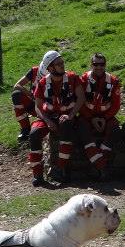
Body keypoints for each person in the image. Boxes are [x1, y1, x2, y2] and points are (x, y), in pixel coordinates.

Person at [28, 53, 83, 186]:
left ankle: (62, 169)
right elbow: (38, 107)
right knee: (34, 134)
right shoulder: (42, 83)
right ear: (50, 68)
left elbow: (81, 98)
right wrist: (47, 121)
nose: (62, 65)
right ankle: (38, 174)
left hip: (67, 116)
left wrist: (70, 115)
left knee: (66, 125)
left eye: (62, 62)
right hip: (48, 117)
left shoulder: (73, 78)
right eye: (59, 64)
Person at [77, 53, 121, 180]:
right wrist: (91, 118)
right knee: (82, 129)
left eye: (101, 64)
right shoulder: (83, 80)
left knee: (115, 129)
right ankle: (101, 166)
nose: (99, 67)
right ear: (91, 65)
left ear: (105, 65)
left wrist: (105, 118)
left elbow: (116, 105)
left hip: (106, 117)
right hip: (87, 116)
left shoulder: (113, 81)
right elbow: (79, 102)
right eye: (96, 64)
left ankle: (98, 164)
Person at [12, 50, 60, 142]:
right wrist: (29, 93)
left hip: (45, 107)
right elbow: (17, 85)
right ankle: (25, 129)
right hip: (33, 103)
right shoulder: (34, 71)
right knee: (16, 95)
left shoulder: (57, 77)